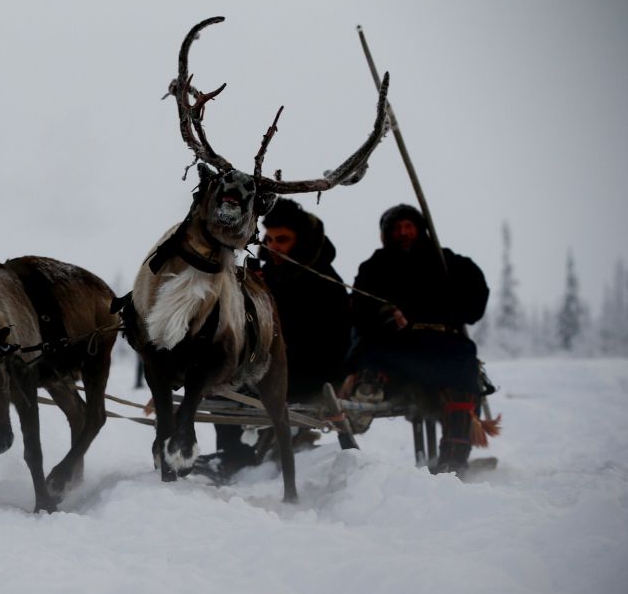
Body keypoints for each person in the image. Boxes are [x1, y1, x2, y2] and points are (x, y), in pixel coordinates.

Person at [205, 199, 352, 474]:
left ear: (303, 241)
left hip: (311, 373)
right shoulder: (267, 274)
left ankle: (236, 457)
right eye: (269, 239)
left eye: (282, 240)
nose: (273, 247)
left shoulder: (326, 284)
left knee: (231, 385)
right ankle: (234, 453)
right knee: (221, 378)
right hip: (270, 366)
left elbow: (329, 347)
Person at [349, 204, 490, 472]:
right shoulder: (375, 267)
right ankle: (364, 400)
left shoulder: (450, 262)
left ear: (421, 229)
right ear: (387, 233)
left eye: (409, 226)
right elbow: (359, 307)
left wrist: (451, 301)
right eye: (397, 228)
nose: (403, 232)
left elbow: (475, 304)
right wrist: (385, 315)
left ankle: (453, 459)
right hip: (397, 347)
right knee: (370, 357)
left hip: (446, 348)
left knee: (463, 379)